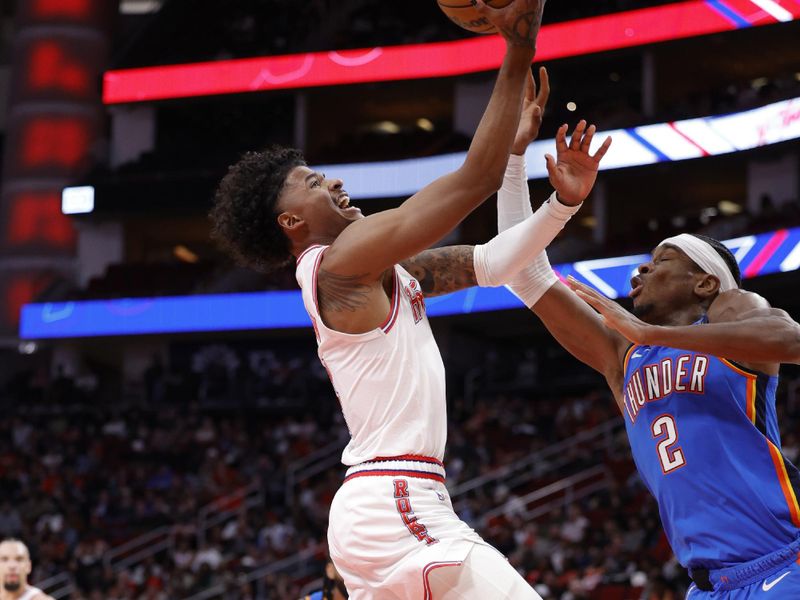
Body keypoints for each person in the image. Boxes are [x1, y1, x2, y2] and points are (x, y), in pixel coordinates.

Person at [211, 1, 612, 596]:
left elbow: (498, 262)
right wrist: (518, 47)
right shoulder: (337, 265)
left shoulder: (377, 271)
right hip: (394, 498)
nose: (337, 182)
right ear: (292, 220)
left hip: (389, 503)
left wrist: (549, 191)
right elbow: (468, 181)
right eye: (317, 183)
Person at [496, 72, 800, 598]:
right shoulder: (623, 352)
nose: (640, 273)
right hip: (707, 584)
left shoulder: (731, 311)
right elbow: (522, 272)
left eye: (660, 261)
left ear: (704, 281)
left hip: (783, 560)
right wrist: (515, 159)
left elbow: (791, 341)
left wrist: (649, 330)